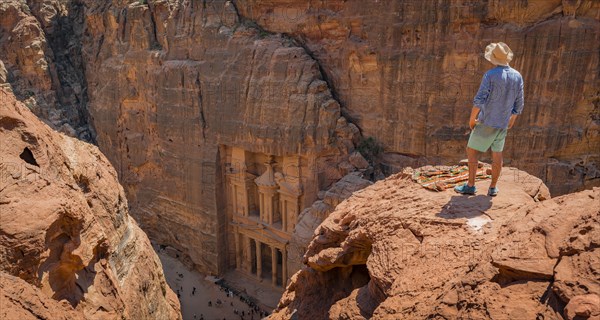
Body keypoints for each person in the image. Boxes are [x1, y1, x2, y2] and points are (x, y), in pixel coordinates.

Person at [455, 42, 524, 196]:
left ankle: (471, 186)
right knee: (497, 154)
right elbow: (519, 102)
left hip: (487, 121)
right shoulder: (517, 76)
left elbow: (479, 100)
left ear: (493, 58)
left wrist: (472, 120)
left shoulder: (490, 75)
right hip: (503, 123)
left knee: (471, 151)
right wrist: (512, 119)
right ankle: (493, 188)